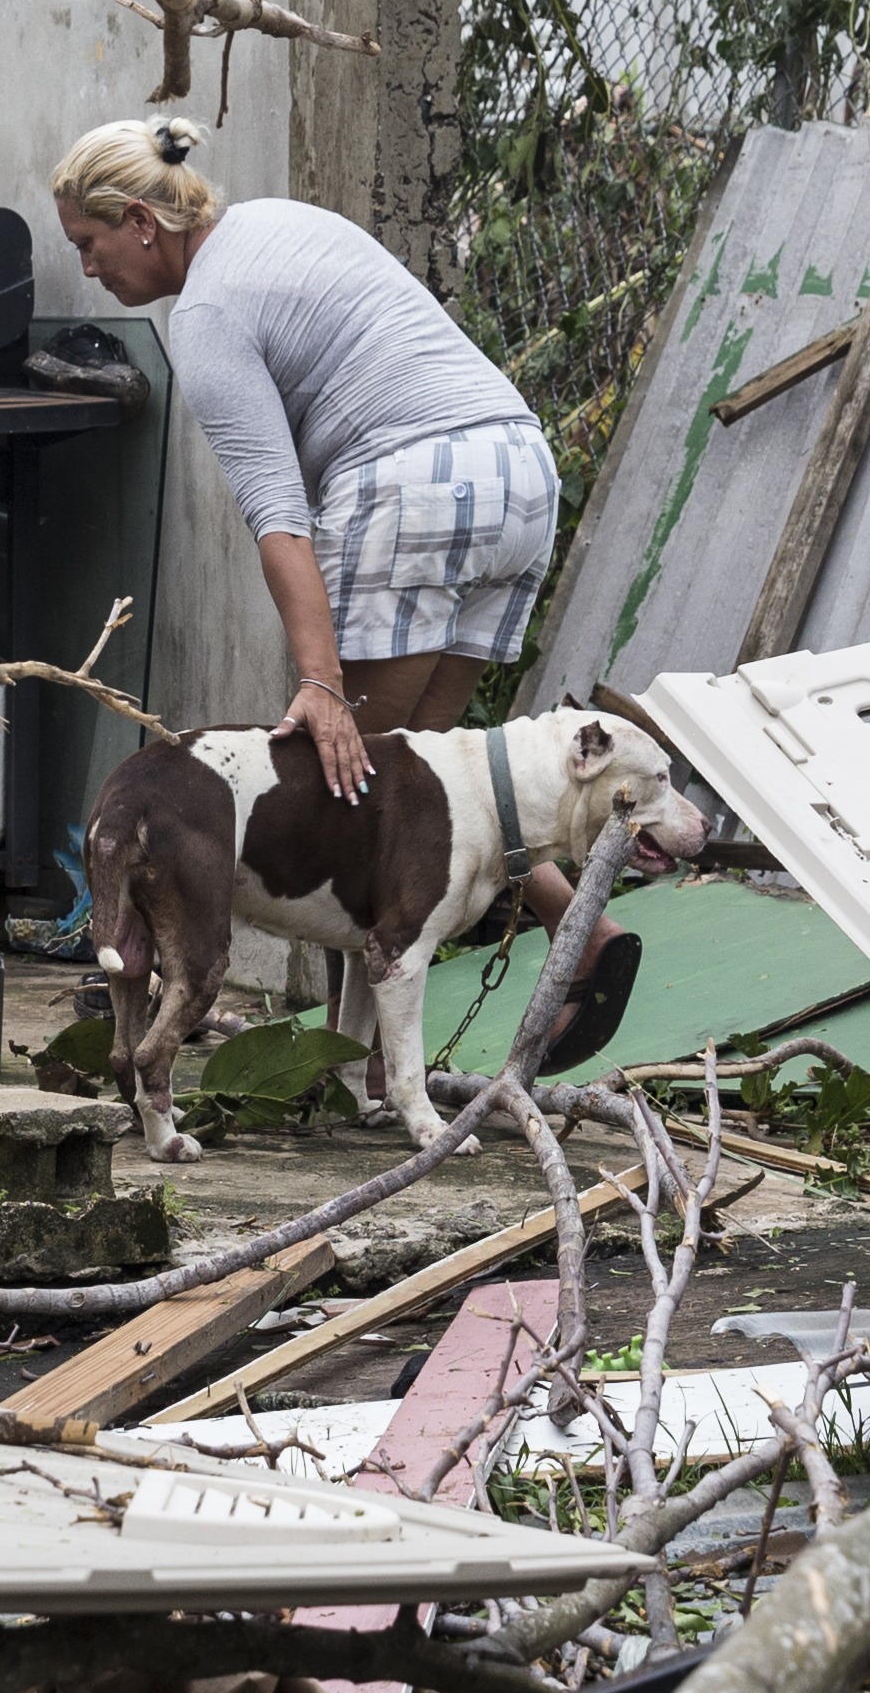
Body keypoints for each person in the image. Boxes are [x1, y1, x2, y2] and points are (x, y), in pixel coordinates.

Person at [49, 117, 639, 1034]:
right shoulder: (278, 223)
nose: (89, 269)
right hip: (517, 470)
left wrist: (320, 681)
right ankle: (579, 930)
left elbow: (278, 516)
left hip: (415, 487)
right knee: (423, 787)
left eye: (88, 244)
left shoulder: (203, 316)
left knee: (347, 797)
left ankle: (352, 1057)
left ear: (140, 221)